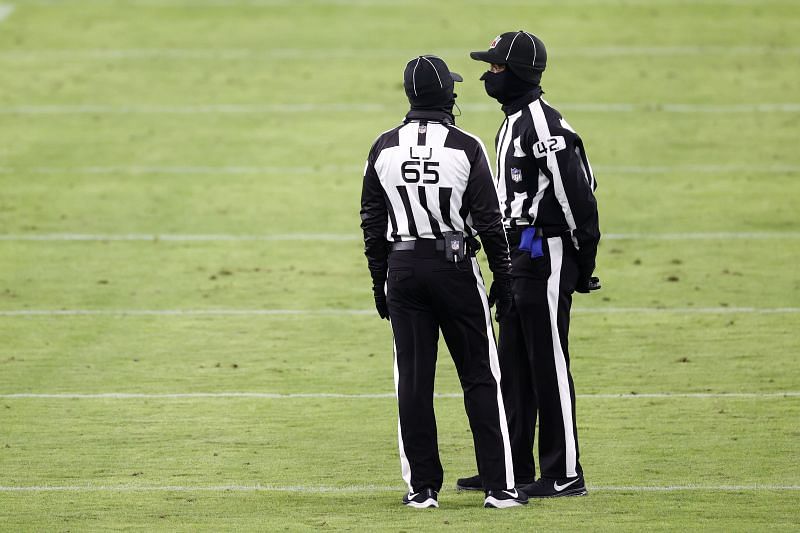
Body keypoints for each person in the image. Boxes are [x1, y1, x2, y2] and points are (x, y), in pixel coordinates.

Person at [360, 55, 527, 509]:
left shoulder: (383, 146)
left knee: (413, 381)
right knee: (480, 376)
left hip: (403, 268)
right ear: (445, 96)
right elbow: (491, 223)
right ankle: (500, 487)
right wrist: (504, 278)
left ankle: (422, 489)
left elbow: (372, 222)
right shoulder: (466, 145)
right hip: (454, 266)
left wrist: (380, 283)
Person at [456, 31, 601, 498]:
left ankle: (564, 473)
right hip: (523, 250)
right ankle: (513, 468)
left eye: (496, 68)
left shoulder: (543, 126)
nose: (487, 75)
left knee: (548, 360)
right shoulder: (514, 121)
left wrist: (584, 259)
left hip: (544, 246)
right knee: (513, 361)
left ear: (517, 73)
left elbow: (577, 194)